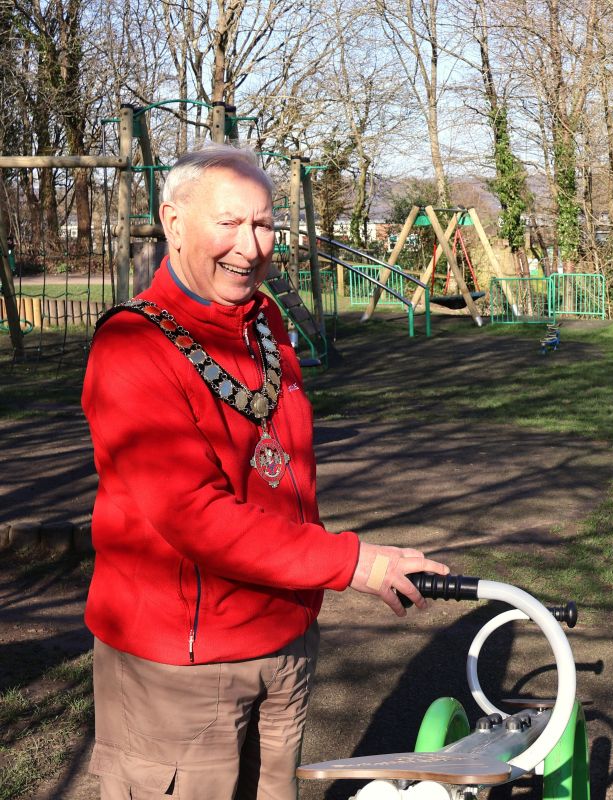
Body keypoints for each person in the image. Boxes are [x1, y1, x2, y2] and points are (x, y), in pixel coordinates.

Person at [82, 144, 449, 800]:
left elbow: (281, 477)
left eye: (263, 224)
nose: (251, 247)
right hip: (183, 670)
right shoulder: (132, 346)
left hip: (287, 640)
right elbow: (194, 515)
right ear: (173, 222)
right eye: (229, 223)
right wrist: (353, 563)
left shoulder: (266, 323)